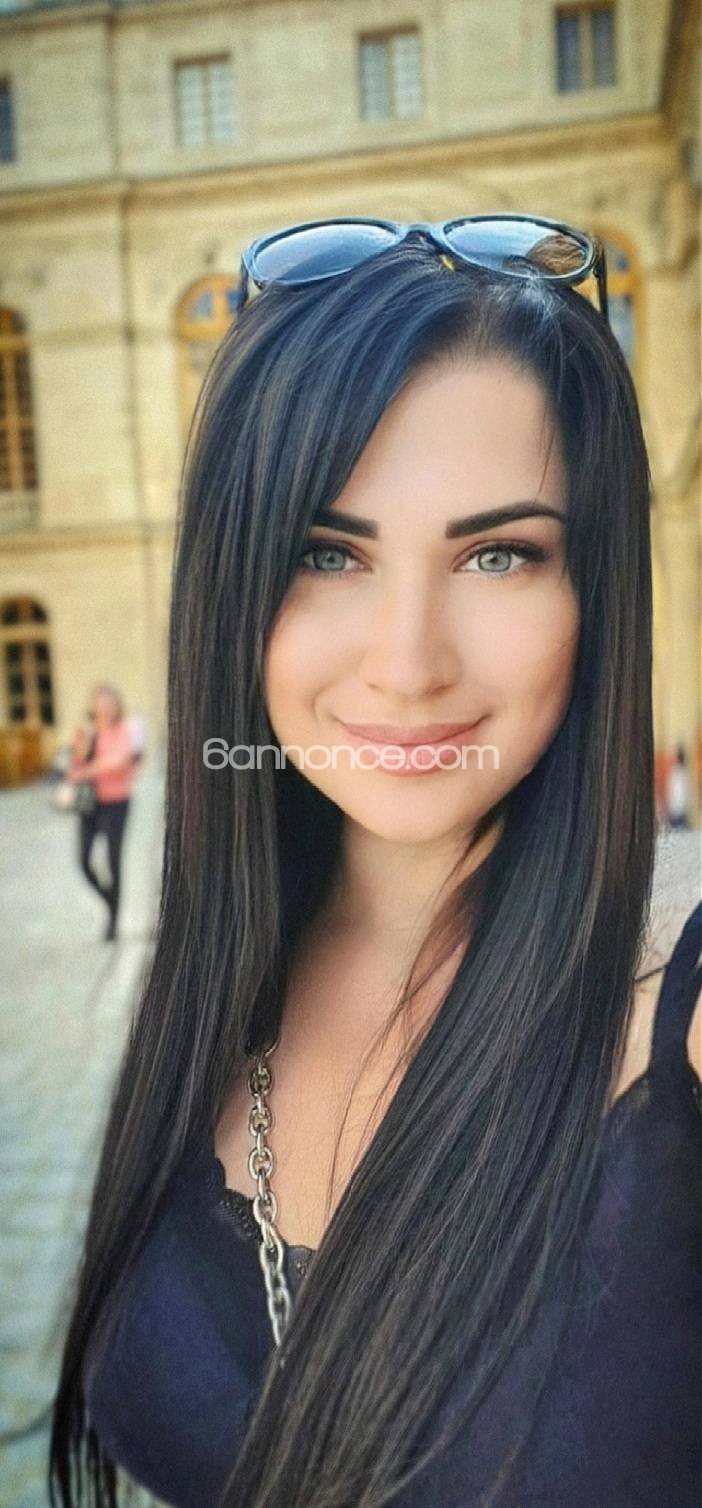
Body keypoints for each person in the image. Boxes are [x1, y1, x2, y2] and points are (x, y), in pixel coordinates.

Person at [50, 218, 701, 1507]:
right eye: (327, 552)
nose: (408, 664)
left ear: (594, 588)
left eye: (499, 553)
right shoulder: (221, 984)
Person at [67, 684, 138, 942]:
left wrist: (91, 769)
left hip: (117, 803)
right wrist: (82, 748)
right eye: (100, 702)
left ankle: (113, 922)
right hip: (90, 805)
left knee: (113, 861)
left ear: (117, 705)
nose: (105, 707)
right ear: (93, 706)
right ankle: (110, 899)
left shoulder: (123, 730)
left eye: (109, 702)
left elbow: (119, 762)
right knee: (84, 861)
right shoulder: (87, 732)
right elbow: (74, 769)